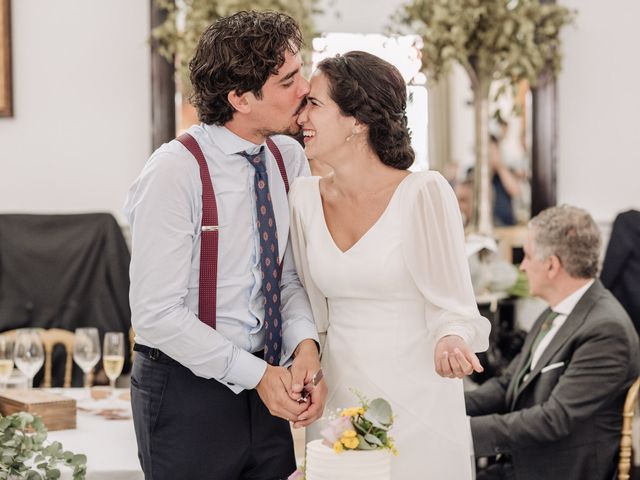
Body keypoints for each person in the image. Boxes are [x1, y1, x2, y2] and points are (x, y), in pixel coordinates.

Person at [124, 11, 326, 480]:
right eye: (287, 80)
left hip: (267, 384)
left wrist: (305, 347)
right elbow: (156, 314)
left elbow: (288, 277)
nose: (305, 90)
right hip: (184, 394)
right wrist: (257, 376)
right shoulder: (175, 171)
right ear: (240, 98)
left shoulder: (288, 157)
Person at [289, 51, 491, 479]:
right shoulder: (303, 199)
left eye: (314, 104)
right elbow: (308, 306)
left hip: (418, 398)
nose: (300, 115)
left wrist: (451, 338)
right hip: (340, 393)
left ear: (357, 120)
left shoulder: (424, 193)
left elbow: (453, 305)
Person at [465, 205, 640, 480]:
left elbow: (553, 419)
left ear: (551, 265)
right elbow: (506, 384)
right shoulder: (556, 311)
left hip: (557, 469)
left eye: (528, 256)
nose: (522, 265)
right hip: (524, 459)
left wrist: (461, 433)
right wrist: (450, 407)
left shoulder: (607, 330)